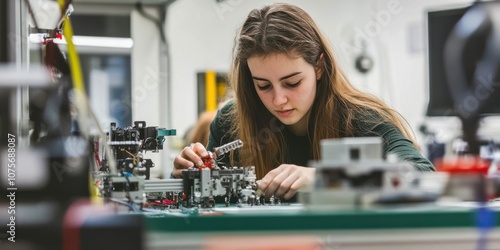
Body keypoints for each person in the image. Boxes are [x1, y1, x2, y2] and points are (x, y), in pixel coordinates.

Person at [173, 3, 434, 201]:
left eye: (292, 82)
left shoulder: (362, 118)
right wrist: (190, 176)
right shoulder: (231, 121)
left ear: (319, 66)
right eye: (263, 86)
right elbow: (208, 199)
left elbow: (422, 176)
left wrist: (325, 178)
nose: (279, 99)